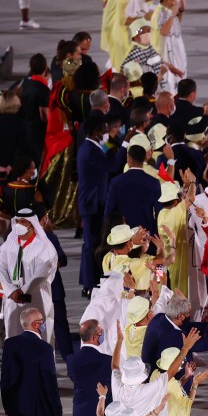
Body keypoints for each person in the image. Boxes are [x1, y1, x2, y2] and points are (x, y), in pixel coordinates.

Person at [76, 114, 125, 293]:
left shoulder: (93, 147)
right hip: (92, 205)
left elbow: (109, 154)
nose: (107, 131)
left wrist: (114, 142)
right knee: (91, 245)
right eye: (104, 128)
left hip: (93, 203)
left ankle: (88, 282)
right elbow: (112, 165)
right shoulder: (90, 150)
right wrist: (125, 145)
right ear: (96, 131)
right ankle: (89, 285)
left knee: (92, 244)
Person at [0, 210, 58, 344]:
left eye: (24, 221)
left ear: (32, 224)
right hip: (12, 303)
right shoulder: (8, 246)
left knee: (40, 341)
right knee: (14, 340)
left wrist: (23, 292)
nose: (19, 224)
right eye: (18, 221)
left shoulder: (44, 247)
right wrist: (11, 291)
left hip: (37, 301)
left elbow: (41, 274)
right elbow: (1, 269)